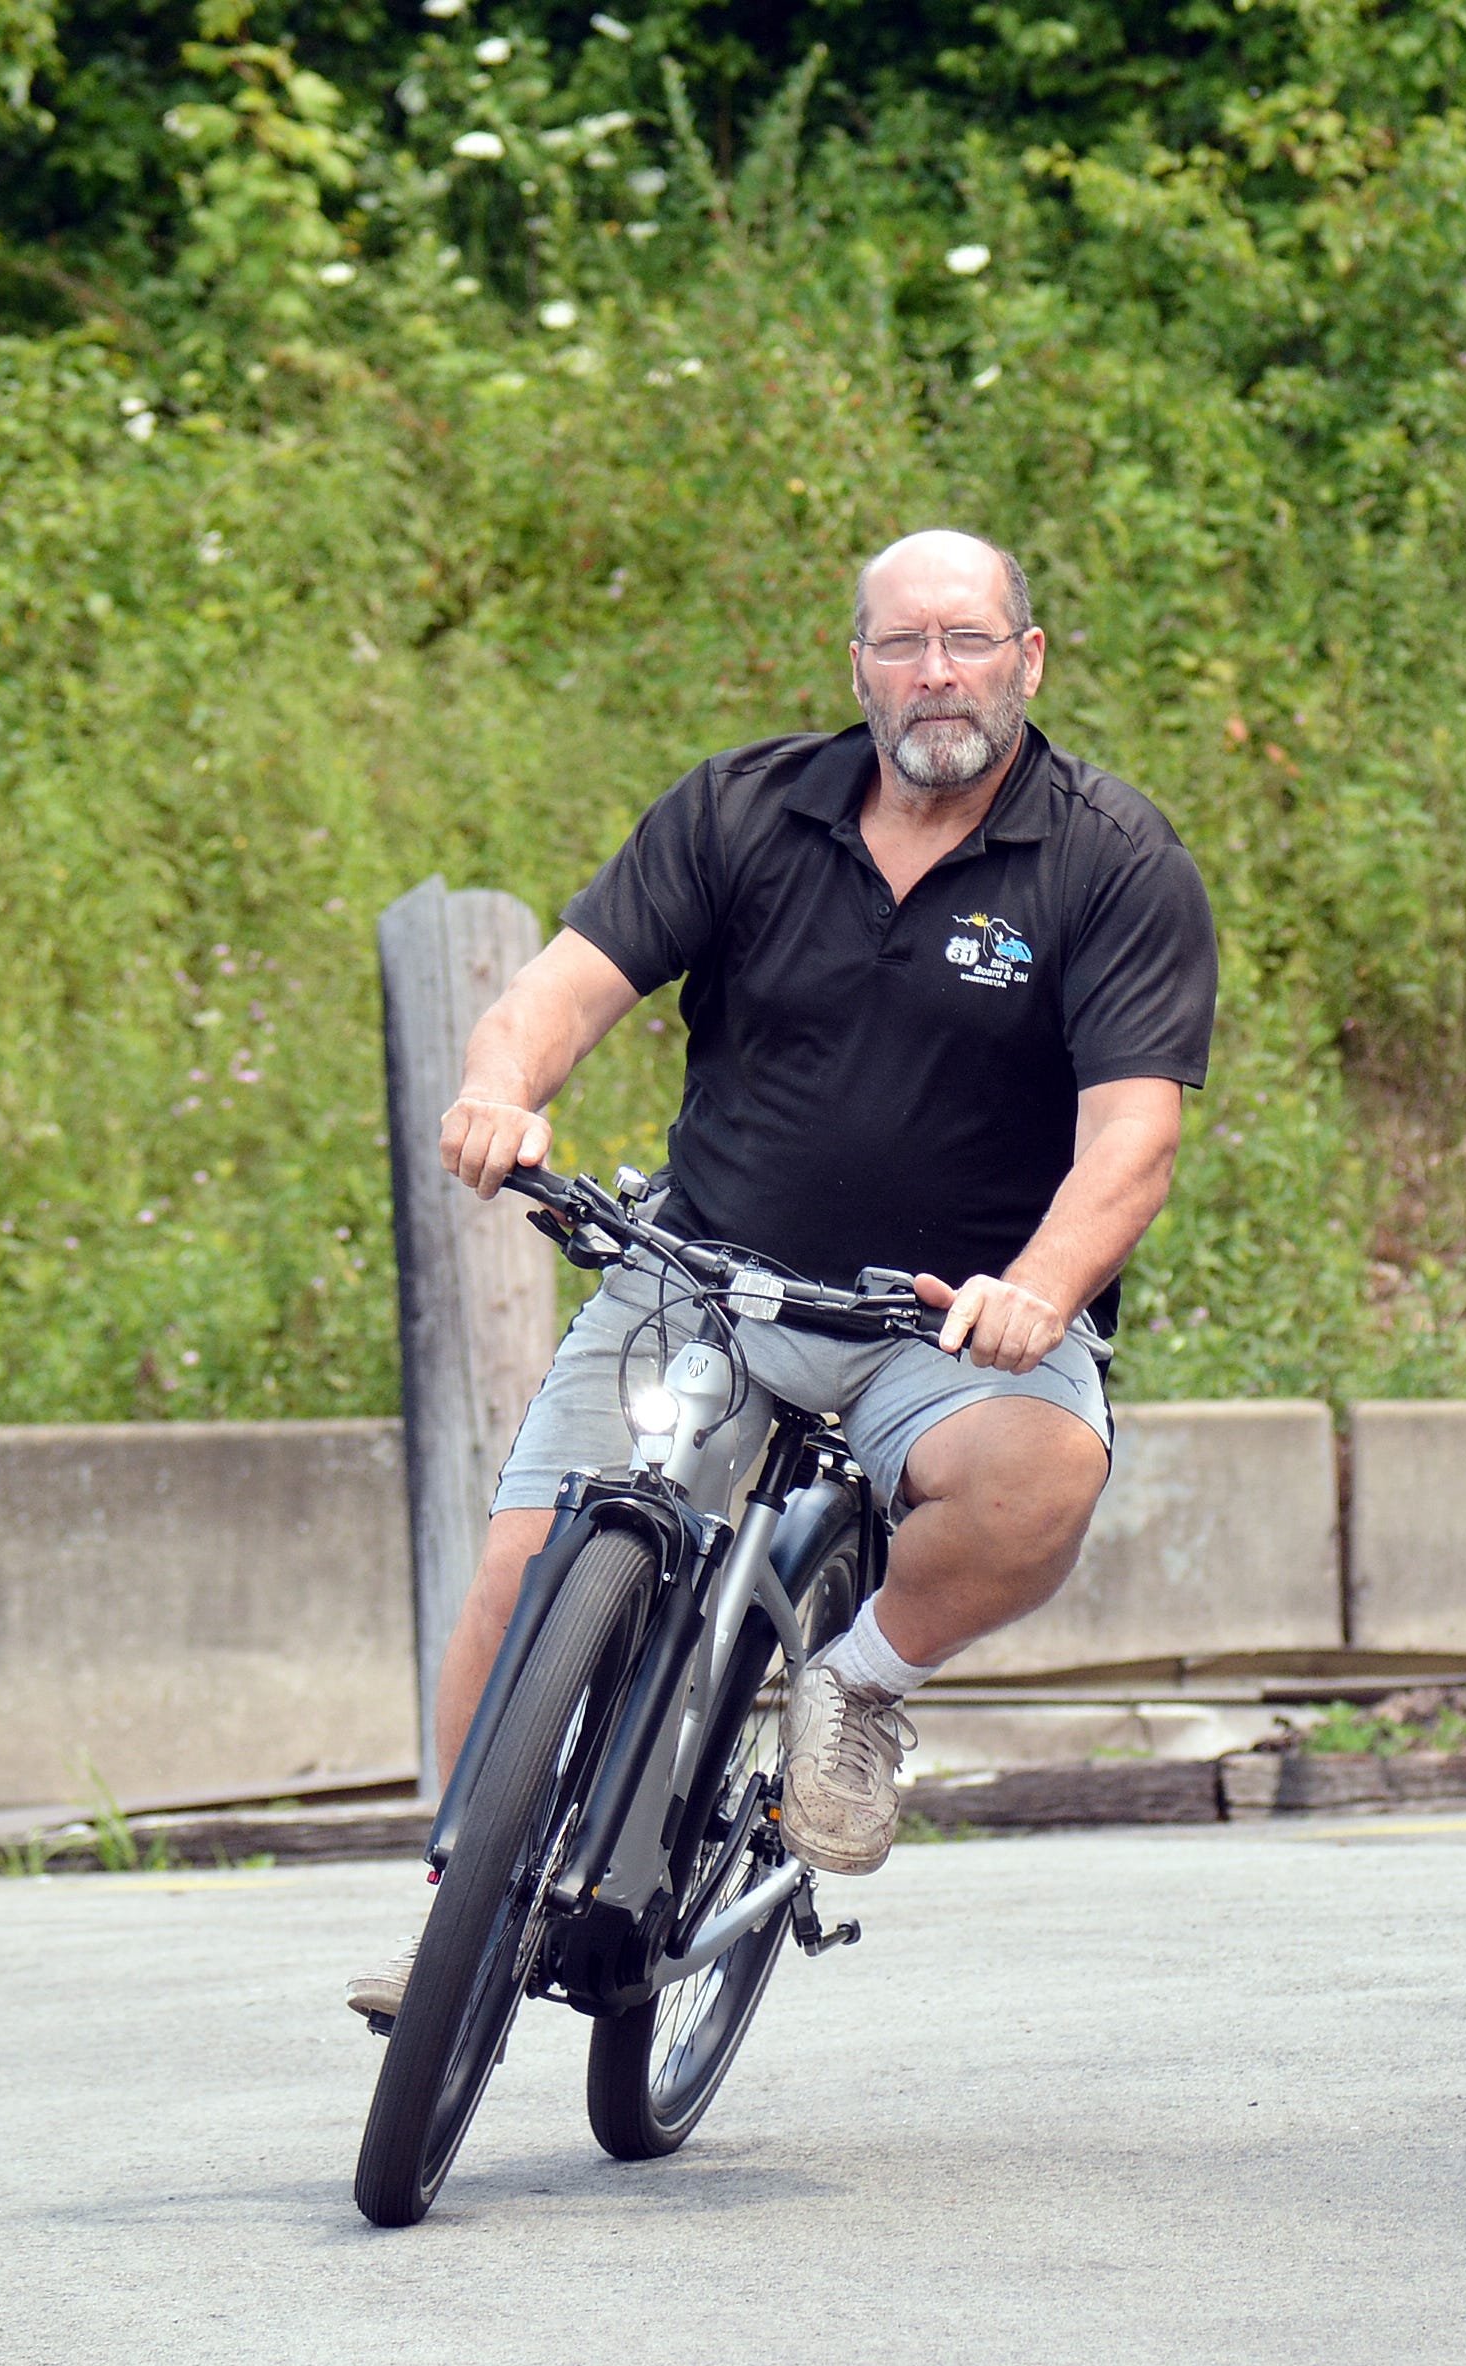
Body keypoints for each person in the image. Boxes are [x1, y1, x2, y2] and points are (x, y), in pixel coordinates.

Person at [350, 528, 1217, 2019]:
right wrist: (503, 1090)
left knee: (1042, 1477)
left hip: (942, 1323)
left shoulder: (1111, 860)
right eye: (903, 643)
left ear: (1029, 658)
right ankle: (453, 1913)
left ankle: (861, 1681)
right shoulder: (744, 809)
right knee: (522, 1567)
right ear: (859, 667)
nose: (935, 671)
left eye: (967, 639)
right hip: (708, 1277)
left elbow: (1132, 1136)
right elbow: (556, 993)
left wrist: (1043, 1286)